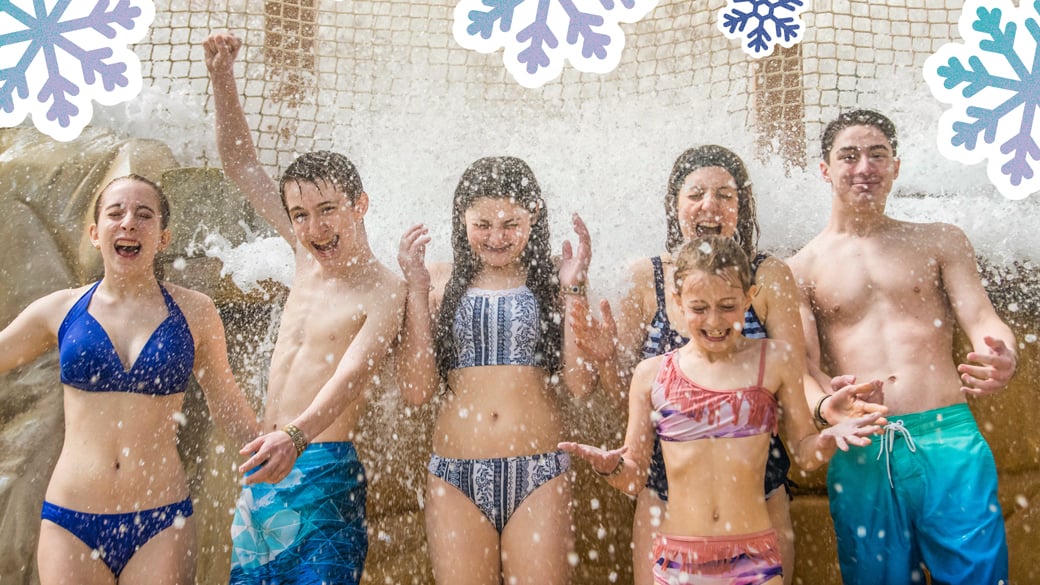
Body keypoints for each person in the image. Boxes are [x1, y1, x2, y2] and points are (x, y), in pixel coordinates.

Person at [568, 144, 882, 584]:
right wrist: (604, 360)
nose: (709, 206)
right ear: (675, 204)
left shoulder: (767, 275)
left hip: (756, 491)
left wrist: (824, 411)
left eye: (725, 195)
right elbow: (635, 398)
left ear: (742, 206)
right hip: (667, 495)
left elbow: (797, 376)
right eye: (696, 194)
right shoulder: (647, 279)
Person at [205, 33, 406, 585]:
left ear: (358, 205)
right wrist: (223, 78)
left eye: (327, 210)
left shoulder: (384, 289)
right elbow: (241, 164)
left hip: (321, 467)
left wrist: (294, 436)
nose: (314, 229)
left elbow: (352, 372)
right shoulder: (301, 255)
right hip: (263, 471)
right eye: (299, 214)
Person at [788, 109, 1017, 585]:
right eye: (848, 156)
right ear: (825, 170)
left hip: (947, 433)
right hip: (863, 442)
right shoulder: (801, 268)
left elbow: (982, 319)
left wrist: (1003, 356)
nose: (864, 167)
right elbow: (805, 366)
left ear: (896, 166)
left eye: (878, 154)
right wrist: (825, 405)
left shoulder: (939, 240)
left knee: (979, 576)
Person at [0, 175, 261, 584]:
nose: (128, 224)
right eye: (115, 213)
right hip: (71, 521)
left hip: (160, 521)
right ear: (94, 232)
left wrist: (271, 455)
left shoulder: (195, 312)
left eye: (144, 215)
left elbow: (224, 399)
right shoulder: (59, 310)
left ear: (163, 237)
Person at [396, 156, 596, 585]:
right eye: (482, 224)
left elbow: (581, 384)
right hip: (456, 475)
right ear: (461, 219)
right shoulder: (437, 280)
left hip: (538, 472)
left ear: (534, 216)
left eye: (511, 223)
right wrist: (415, 289)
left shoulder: (554, 280)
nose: (497, 236)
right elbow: (416, 390)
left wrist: (575, 289)